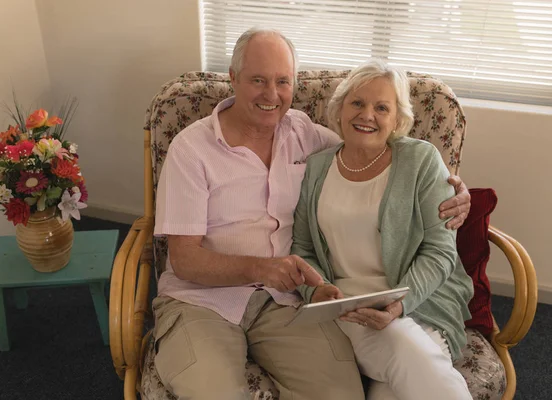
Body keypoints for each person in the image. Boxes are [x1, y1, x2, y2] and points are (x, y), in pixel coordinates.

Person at [152, 28, 470, 399]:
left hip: (286, 304)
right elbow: (185, 260)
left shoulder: (305, 135)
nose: (272, 95)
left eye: (282, 81)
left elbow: (371, 151)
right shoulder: (191, 149)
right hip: (202, 301)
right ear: (233, 79)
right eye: (258, 80)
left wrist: (455, 188)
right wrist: (261, 268)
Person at [292, 59, 474, 400]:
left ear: (397, 120)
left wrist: (398, 306)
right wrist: (316, 291)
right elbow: (302, 248)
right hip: (349, 310)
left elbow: (440, 251)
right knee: (400, 349)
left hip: (420, 302)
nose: (367, 115)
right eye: (357, 103)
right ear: (340, 108)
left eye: (381, 107)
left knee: (393, 374)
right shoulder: (317, 167)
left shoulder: (420, 160)